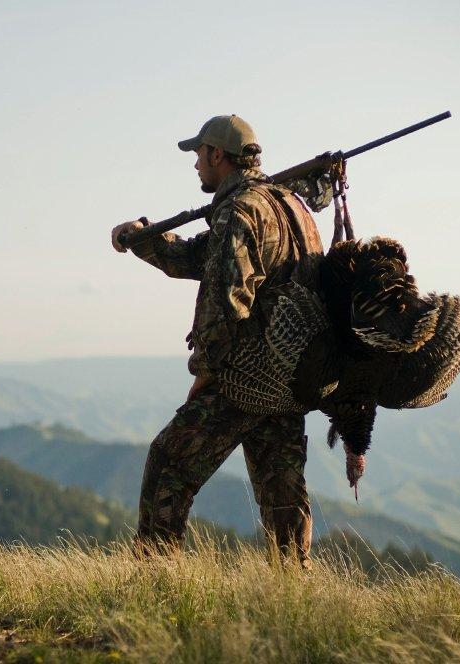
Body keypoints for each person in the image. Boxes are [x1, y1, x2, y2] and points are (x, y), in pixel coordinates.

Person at [110, 114, 325, 567]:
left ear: (217, 155)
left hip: (243, 377)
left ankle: (156, 580)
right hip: (290, 381)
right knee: (282, 493)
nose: (195, 166)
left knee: (169, 461)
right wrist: (141, 236)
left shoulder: (240, 211)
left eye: (199, 155)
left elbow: (225, 300)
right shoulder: (290, 208)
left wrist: (205, 374)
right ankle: (294, 593)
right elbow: (194, 256)